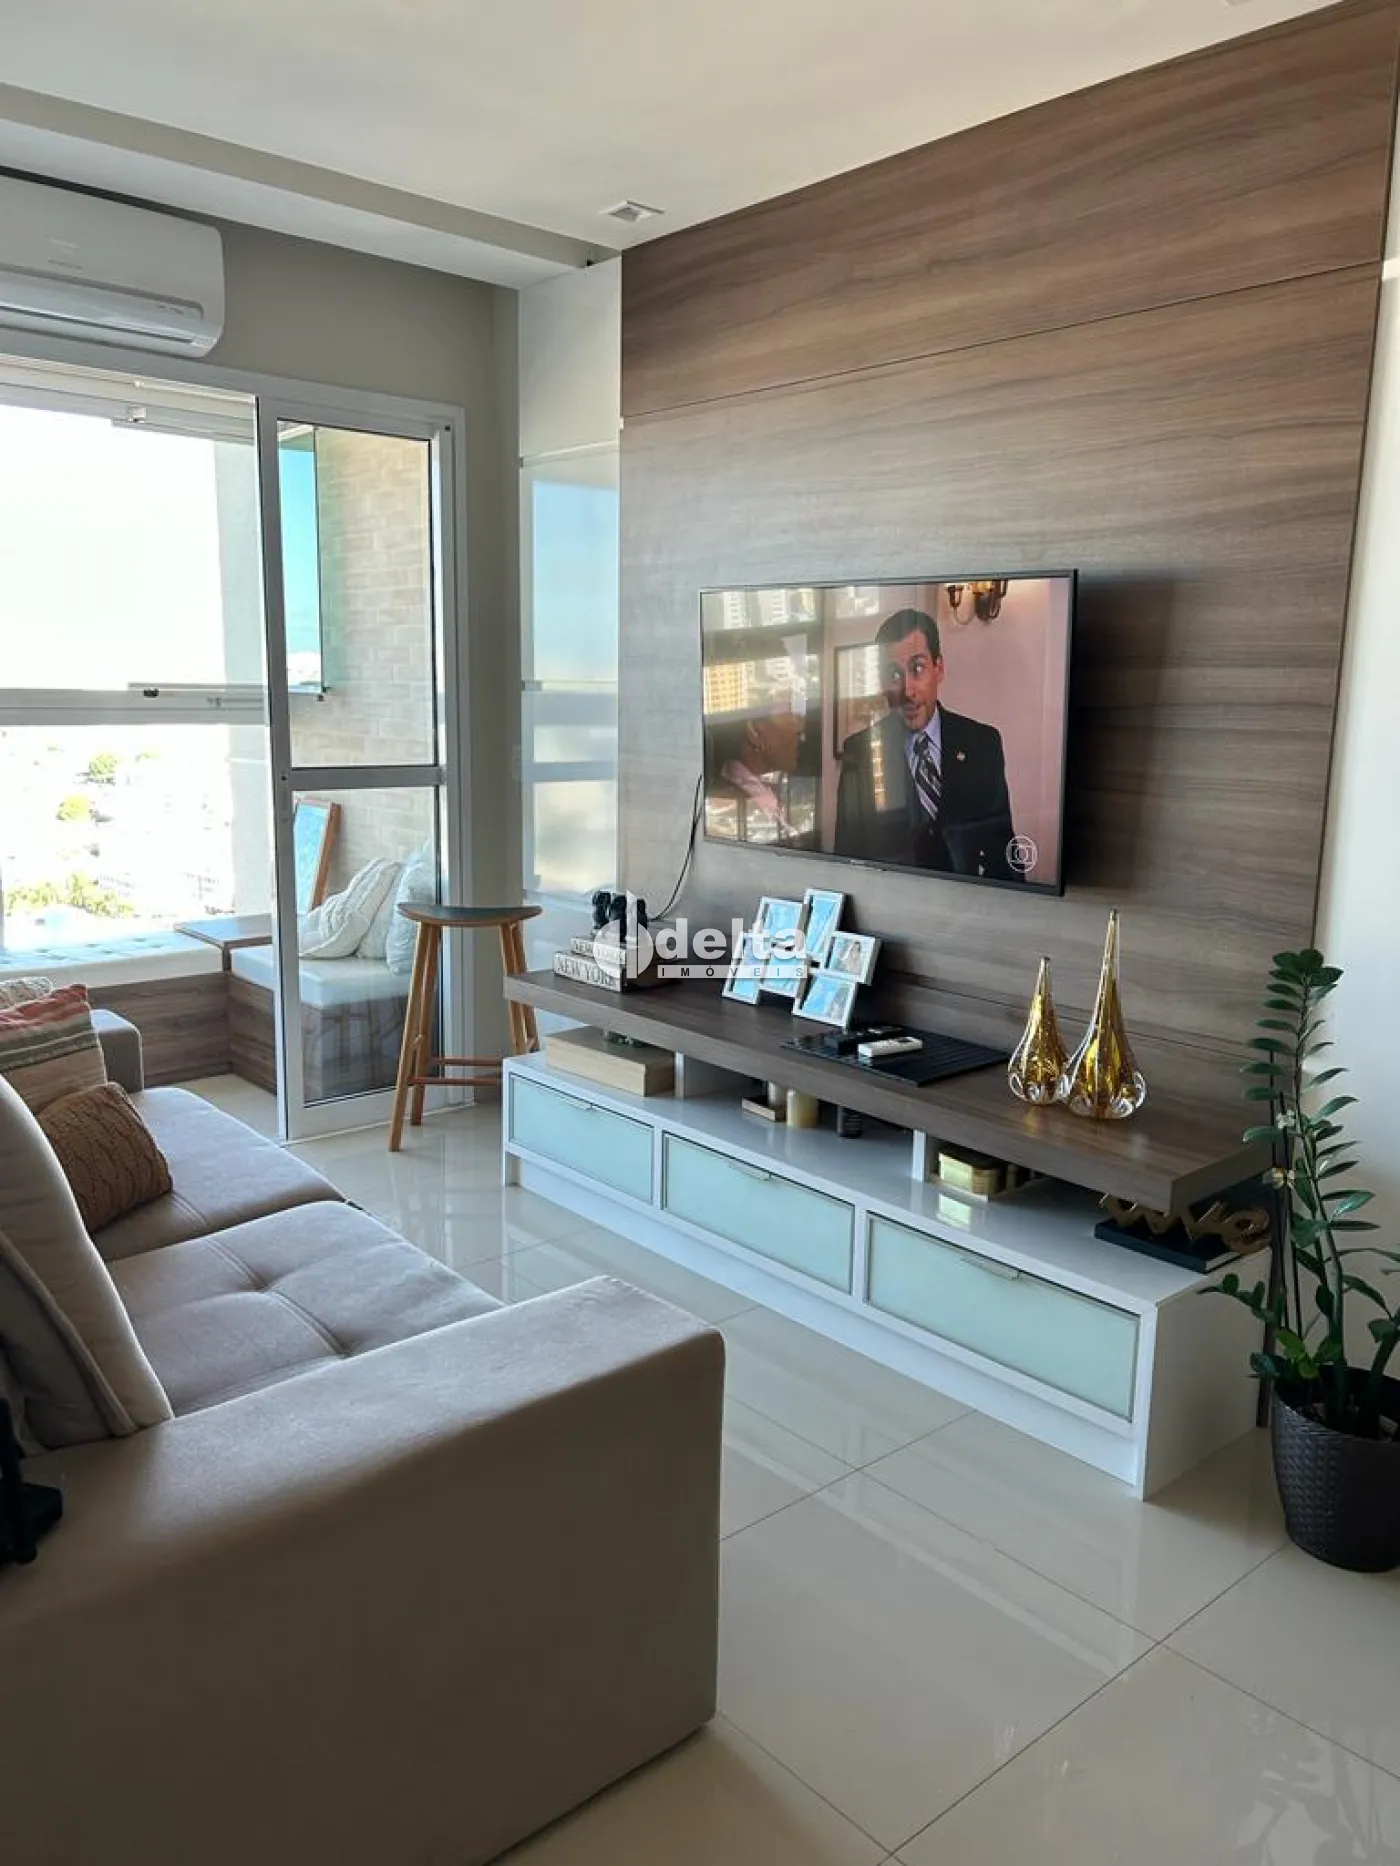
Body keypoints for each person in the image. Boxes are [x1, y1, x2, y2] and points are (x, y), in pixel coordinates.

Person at [833, 608, 1021, 879]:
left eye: (918, 668)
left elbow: (1004, 856)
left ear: (938, 668)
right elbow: (846, 861)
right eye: (893, 674)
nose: (907, 690)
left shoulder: (983, 744)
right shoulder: (859, 752)